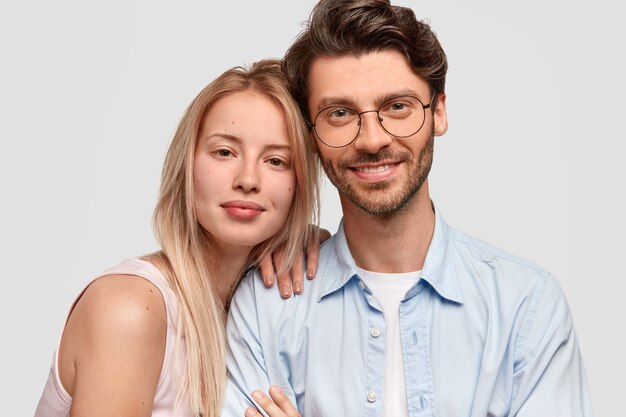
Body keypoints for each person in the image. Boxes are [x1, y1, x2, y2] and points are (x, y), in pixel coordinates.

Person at [224, 1, 593, 416]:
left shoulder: (527, 306)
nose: (372, 140)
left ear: (438, 111)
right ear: (310, 134)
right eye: (340, 113)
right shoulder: (264, 306)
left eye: (397, 106)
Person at [34, 59, 321, 417]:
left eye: (276, 160)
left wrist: (313, 242)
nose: (248, 179)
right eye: (224, 152)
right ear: (187, 165)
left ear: (300, 183)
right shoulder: (130, 308)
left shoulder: (273, 305)